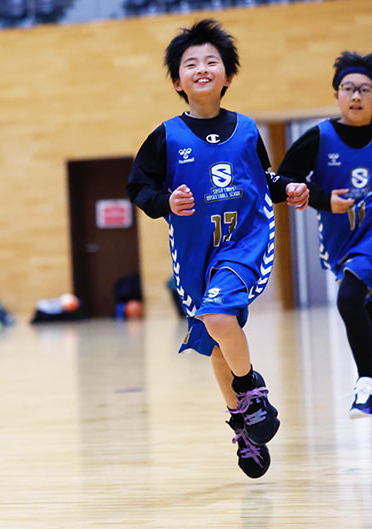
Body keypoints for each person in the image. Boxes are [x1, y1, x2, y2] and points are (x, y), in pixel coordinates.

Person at [125, 20, 309, 479]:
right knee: (215, 341)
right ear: (177, 81)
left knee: (218, 316)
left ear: (227, 75)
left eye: (212, 61)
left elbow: (263, 180)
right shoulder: (166, 136)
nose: (202, 68)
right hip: (195, 253)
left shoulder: (246, 130)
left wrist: (288, 188)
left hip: (243, 241)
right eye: (191, 63)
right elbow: (139, 188)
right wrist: (165, 201)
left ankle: (251, 389)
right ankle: (242, 422)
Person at [277, 51, 372, 417]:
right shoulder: (319, 137)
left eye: (365, 89)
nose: (356, 96)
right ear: (336, 95)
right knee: (363, 308)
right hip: (342, 242)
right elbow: (281, 181)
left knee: (349, 299)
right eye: (349, 88)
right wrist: (321, 198)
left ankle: (366, 383)